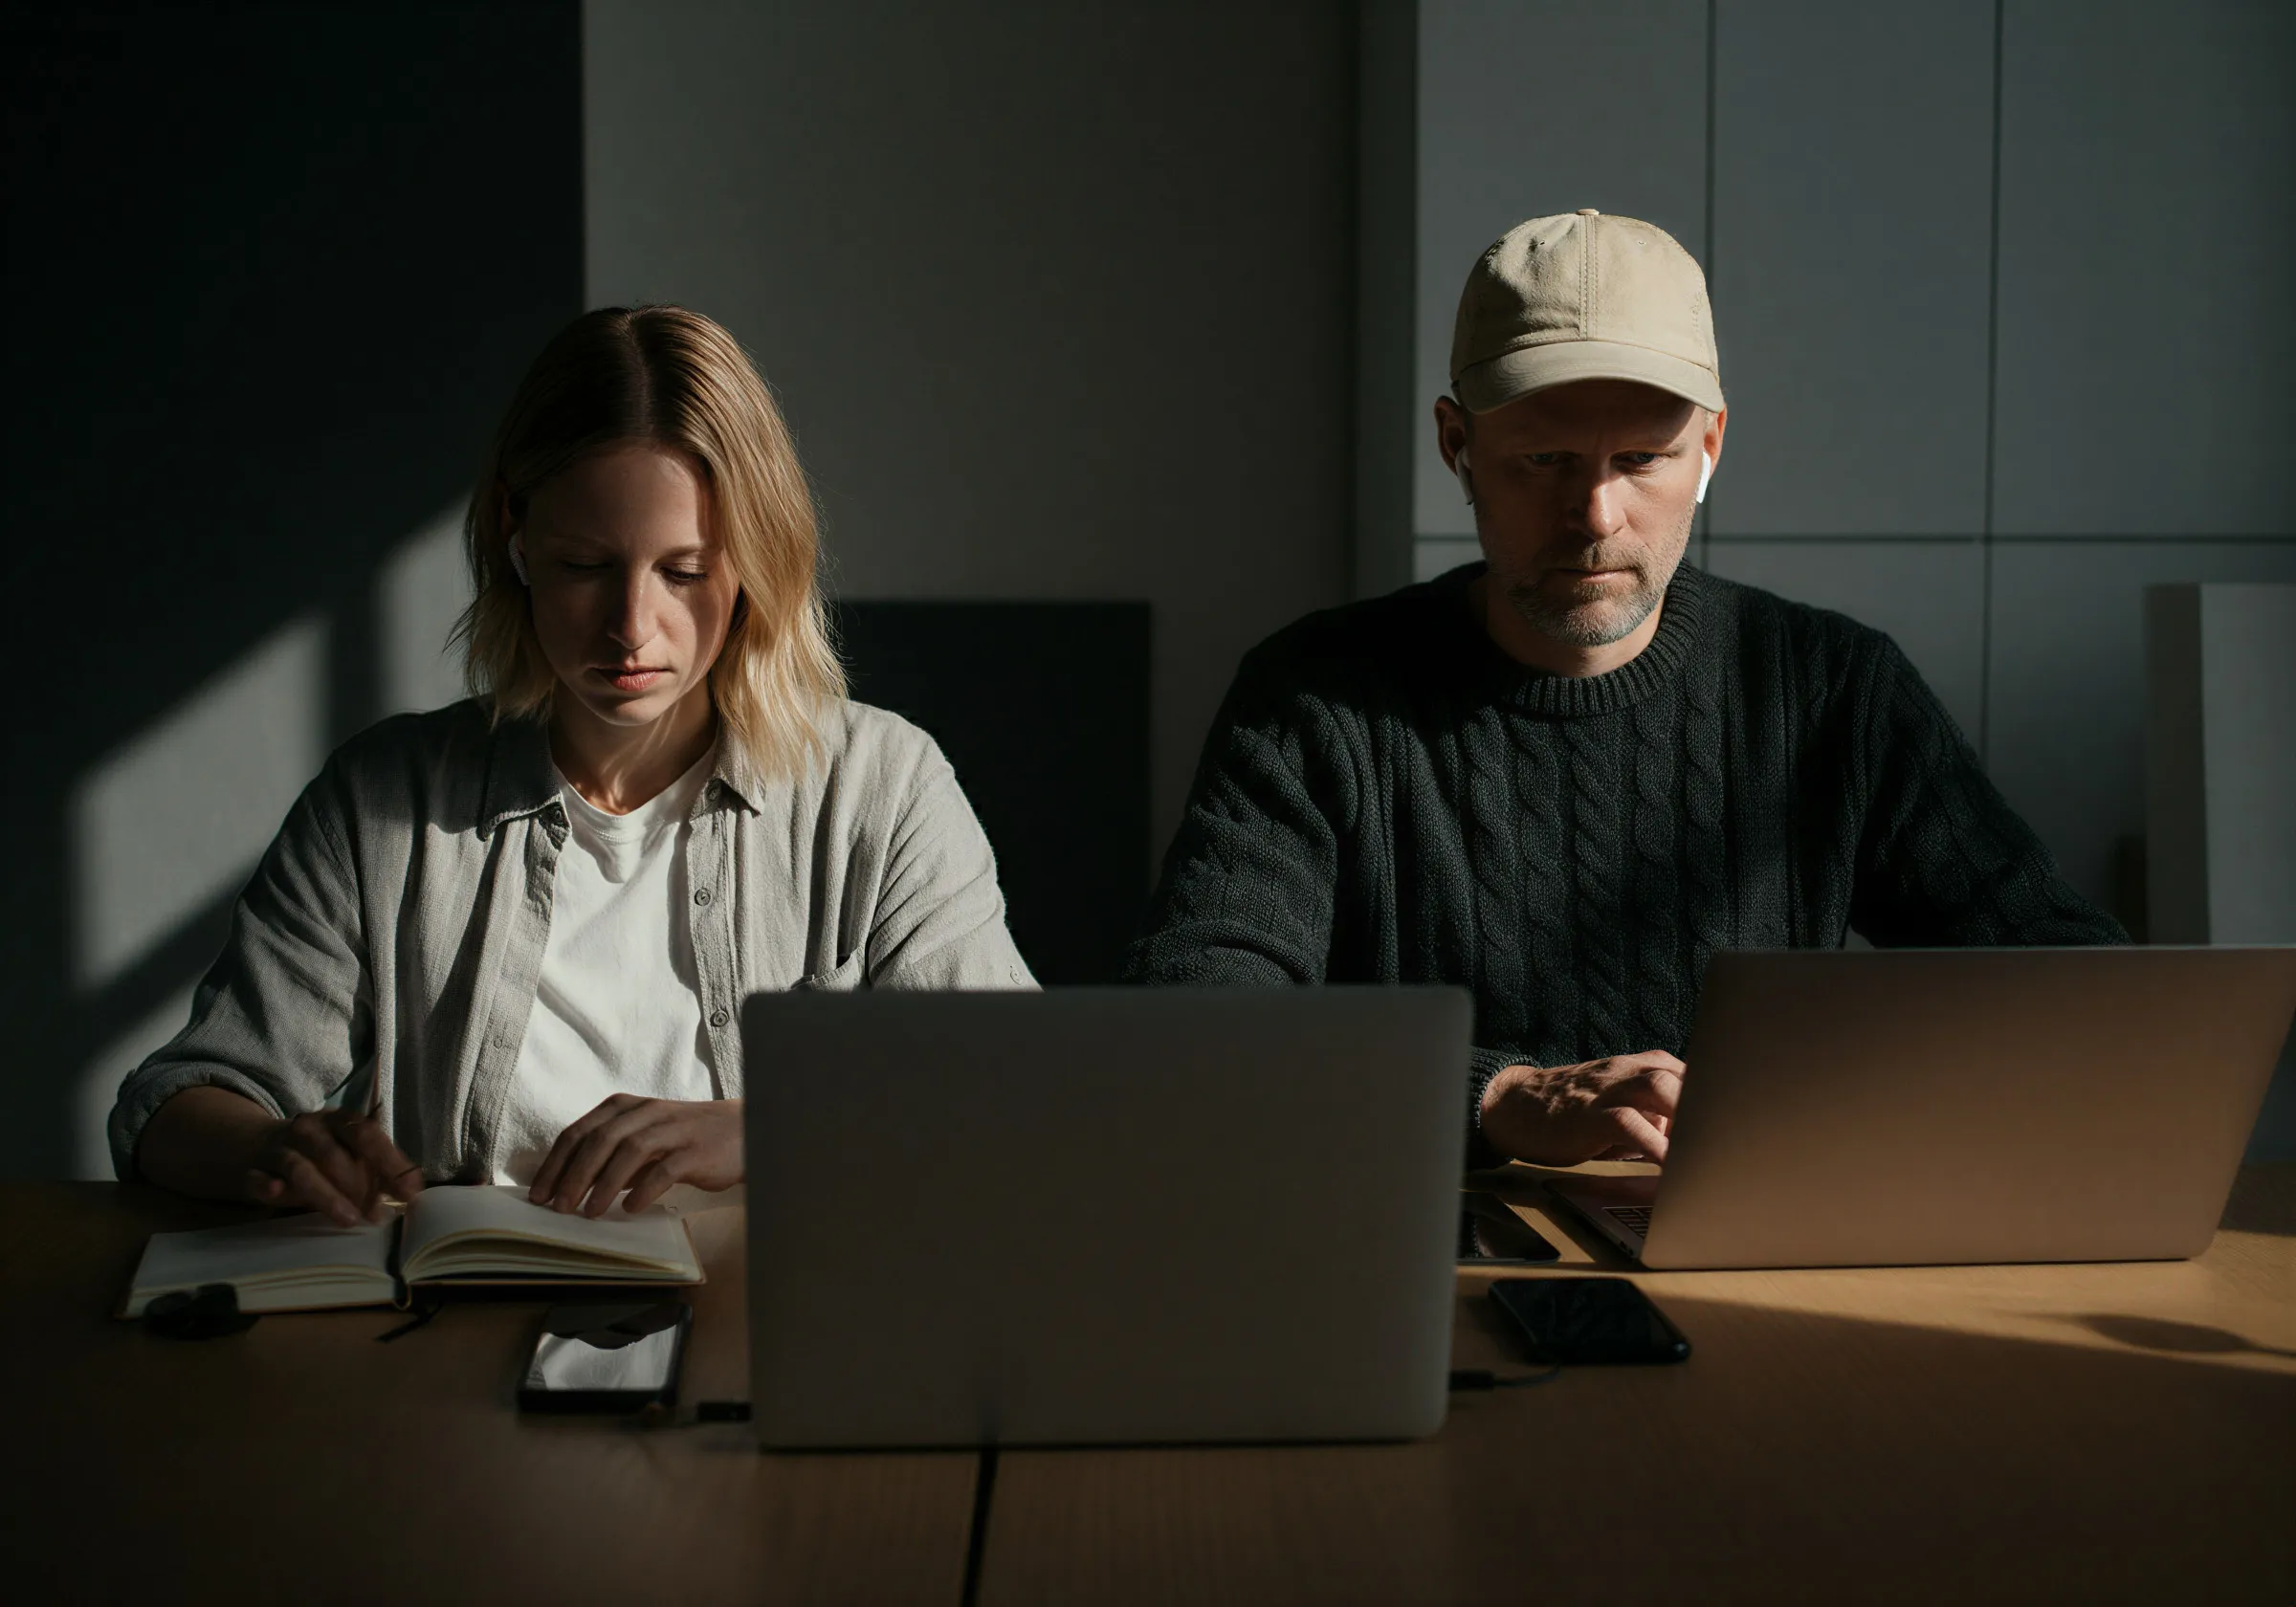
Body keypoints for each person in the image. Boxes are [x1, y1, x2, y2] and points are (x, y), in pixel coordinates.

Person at [1124, 209, 2123, 1170]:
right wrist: (1493, 1097)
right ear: (1455, 446)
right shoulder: (1316, 700)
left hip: (1749, 1246)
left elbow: (2076, 989)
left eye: (1641, 460)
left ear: (1711, 451)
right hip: (1422, 1254)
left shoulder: (1830, 693)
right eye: (1543, 462)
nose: (1595, 515)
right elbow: (1197, 1019)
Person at [113, 305, 1032, 1223]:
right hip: (455, 1348)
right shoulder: (385, 799)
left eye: (683, 572)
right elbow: (181, 1100)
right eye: (586, 565)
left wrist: (765, 1128)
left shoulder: (881, 786)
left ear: (753, 561)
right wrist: (271, 1150)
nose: (631, 627)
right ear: (516, 541)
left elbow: (1020, 1101)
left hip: (770, 1342)